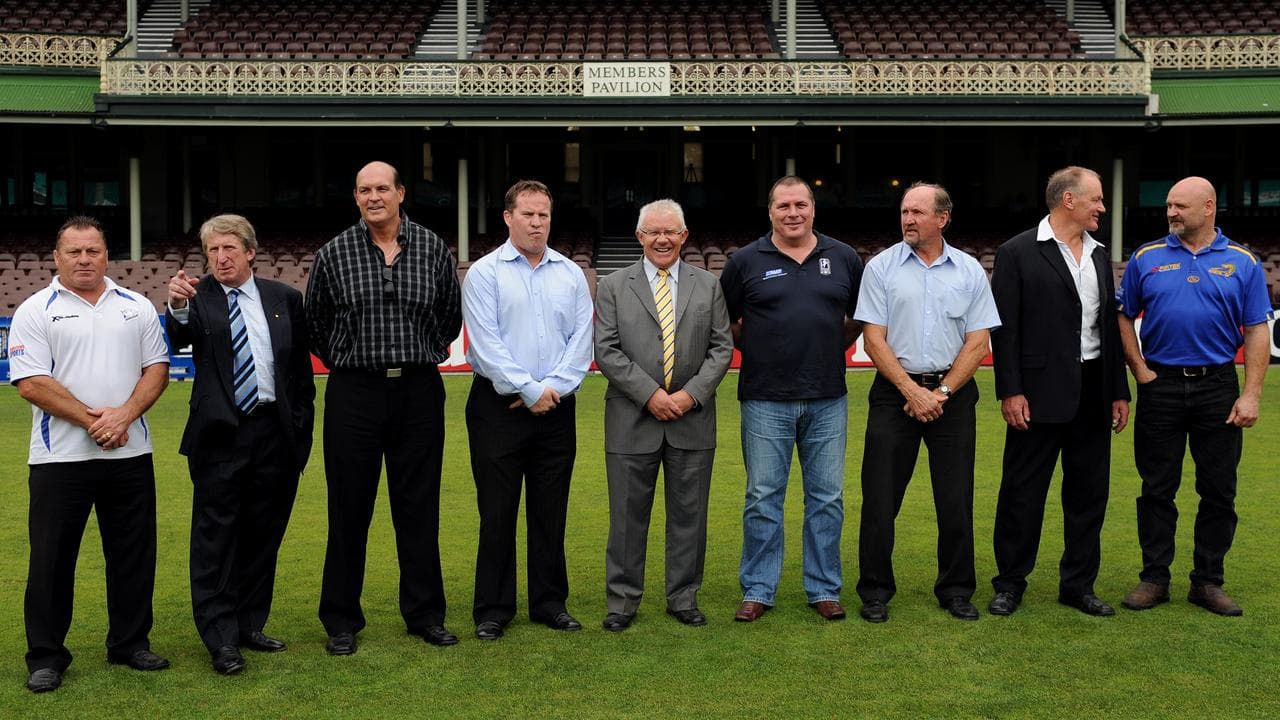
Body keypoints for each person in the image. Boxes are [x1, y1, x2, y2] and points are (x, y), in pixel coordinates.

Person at [9, 216, 171, 693]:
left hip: (131, 454)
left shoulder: (136, 306)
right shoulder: (35, 309)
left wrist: (124, 417)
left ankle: (129, 643)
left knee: (133, 557)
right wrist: (97, 421)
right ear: (56, 257)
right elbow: (32, 383)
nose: (84, 259)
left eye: (93, 251)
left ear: (106, 255)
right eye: (74, 252)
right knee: (52, 561)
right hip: (60, 459)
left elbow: (156, 368)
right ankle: (46, 655)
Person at [306, 161, 462, 654]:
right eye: (364, 190)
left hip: (417, 390)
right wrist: (354, 364)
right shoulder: (334, 253)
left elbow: (449, 318)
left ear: (401, 193)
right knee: (349, 508)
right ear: (355, 197)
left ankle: (424, 614)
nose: (374, 197)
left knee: (418, 507)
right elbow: (318, 324)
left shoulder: (433, 248)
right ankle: (341, 620)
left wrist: (418, 356)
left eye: (382, 188)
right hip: (355, 392)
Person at [165, 214, 315, 674]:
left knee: (262, 536)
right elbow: (179, 336)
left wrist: (300, 436)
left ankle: (250, 624)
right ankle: (220, 638)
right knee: (215, 541)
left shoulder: (283, 298)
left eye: (229, 248)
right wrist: (176, 306)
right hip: (220, 438)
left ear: (251, 251)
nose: (220, 257)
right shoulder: (197, 297)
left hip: (275, 436)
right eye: (212, 250)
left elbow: (301, 378)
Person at [1117, 176, 1271, 617]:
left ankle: (1208, 581)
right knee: (1156, 488)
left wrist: (1252, 394)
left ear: (1208, 207)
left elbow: (1257, 329)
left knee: (1219, 490)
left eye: (1180, 206)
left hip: (1218, 387)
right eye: (1168, 205)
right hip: (1159, 384)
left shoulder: (1242, 262)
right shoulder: (1147, 257)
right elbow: (1123, 316)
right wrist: (1140, 370)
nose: (1171, 213)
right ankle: (1155, 578)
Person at [854, 182, 1001, 623]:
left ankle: (956, 590)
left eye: (918, 212)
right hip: (893, 394)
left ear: (943, 218)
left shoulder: (970, 271)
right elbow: (873, 338)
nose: (908, 219)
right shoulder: (880, 267)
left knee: (955, 499)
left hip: (951, 397)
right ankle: (875, 591)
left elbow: (978, 342)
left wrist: (939, 393)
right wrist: (911, 391)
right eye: (904, 212)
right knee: (880, 498)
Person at [718, 176, 863, 623]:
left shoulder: (844, 258)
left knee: (827, 497)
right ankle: (759, 588)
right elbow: (726, 321)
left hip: (828, 398)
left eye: (801, 204)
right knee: (763, 497)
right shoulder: (744, 261)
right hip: (764, 397)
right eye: (784, 206)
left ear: (814, 208)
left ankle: (823, 588)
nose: (793, 213)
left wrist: (824, 347)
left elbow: (859, 318)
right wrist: (764, 346)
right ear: (770, 212)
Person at [988, 167, 1131, 617]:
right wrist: (1010, 390)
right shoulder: (1016, 252)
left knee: (1089, 494)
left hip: (1093, 390)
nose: (1102, 208)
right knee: (1021, 493)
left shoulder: (1100, 254)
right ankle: (1010, 584)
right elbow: (1004, 330)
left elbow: (1107, 327)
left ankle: (1078, 585)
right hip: (1036, 392)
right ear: (1068, 200)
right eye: (1096, 199)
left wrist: (1118, 391)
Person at [462, 179, 594, 641]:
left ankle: (549, 602)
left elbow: (581, 342)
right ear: (508, 218)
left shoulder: (570, 274)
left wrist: (549, 390)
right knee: (497, 512)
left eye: (544, 215)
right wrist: (528, 388)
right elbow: (486, 343)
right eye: (528, 214)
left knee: (549, 511)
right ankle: (493, 608)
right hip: (497, 409)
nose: (537, 223)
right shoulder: (483, 273)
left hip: (556, 409)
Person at [593, 199, 733, 631]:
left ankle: (683, 597)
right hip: (632, 419)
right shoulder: (614, 285)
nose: (662, 239)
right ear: (639, 237)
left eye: (671, 231)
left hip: (692, 419)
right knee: (627, 519)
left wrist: (689, 396)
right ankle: (622, 602)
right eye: (653, 231)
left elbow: (721, 348)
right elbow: (607, 350)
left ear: (684, 236)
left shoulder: (708, 286)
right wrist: (650, 394)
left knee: (690, 517)